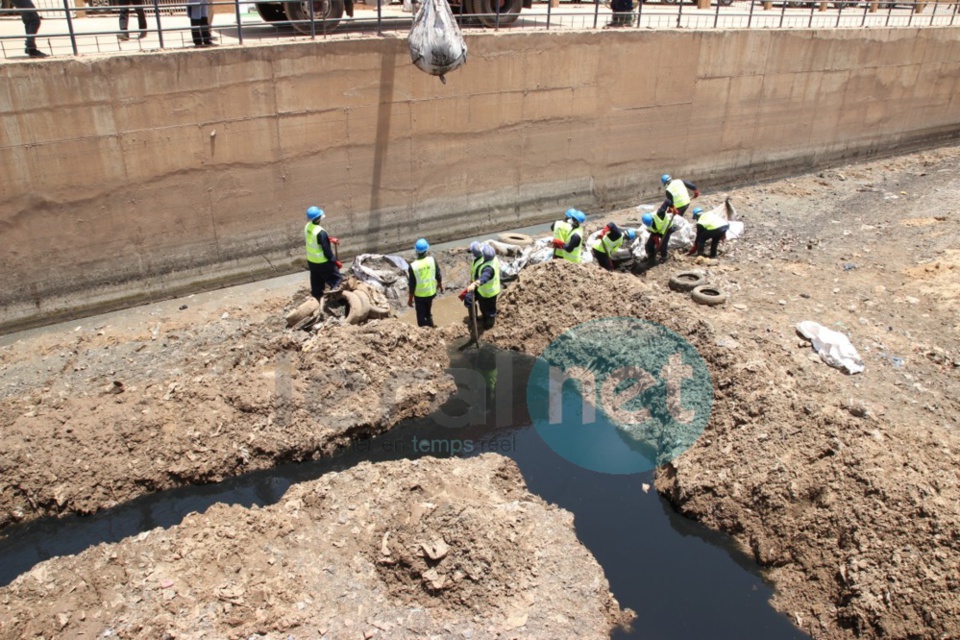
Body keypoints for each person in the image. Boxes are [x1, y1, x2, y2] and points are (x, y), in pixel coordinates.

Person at [304, 206, 342, 300]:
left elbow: (314, 240)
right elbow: (327, 251)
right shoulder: (320, 232)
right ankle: (338, 299)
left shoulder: (307, 227)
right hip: (322, 262)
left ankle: (317, 298)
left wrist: (328, 239)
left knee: (316, 281)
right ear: (318, 218)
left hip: (312, 261)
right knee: (336, 279)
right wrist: (334, 261)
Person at [461, 242, 501, 330]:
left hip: (488, 293)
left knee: (488, 310)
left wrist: (475, 284)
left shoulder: (488, 268)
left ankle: (489, 325)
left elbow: (484, 278)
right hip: (481, 289)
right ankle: (474, 319)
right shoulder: (491, 258)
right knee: (469, 299)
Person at [407, 238, 442, 328]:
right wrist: (440, 284)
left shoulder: (413, 266)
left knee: (421, 318)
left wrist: (410, 299)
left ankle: (425, 330)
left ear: (416, 251)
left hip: (419, 296)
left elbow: (412, 285)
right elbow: (438, 274)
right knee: (428, 310)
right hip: (431, 293)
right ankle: (430, 323)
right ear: (426, 250)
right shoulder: (432, 260)